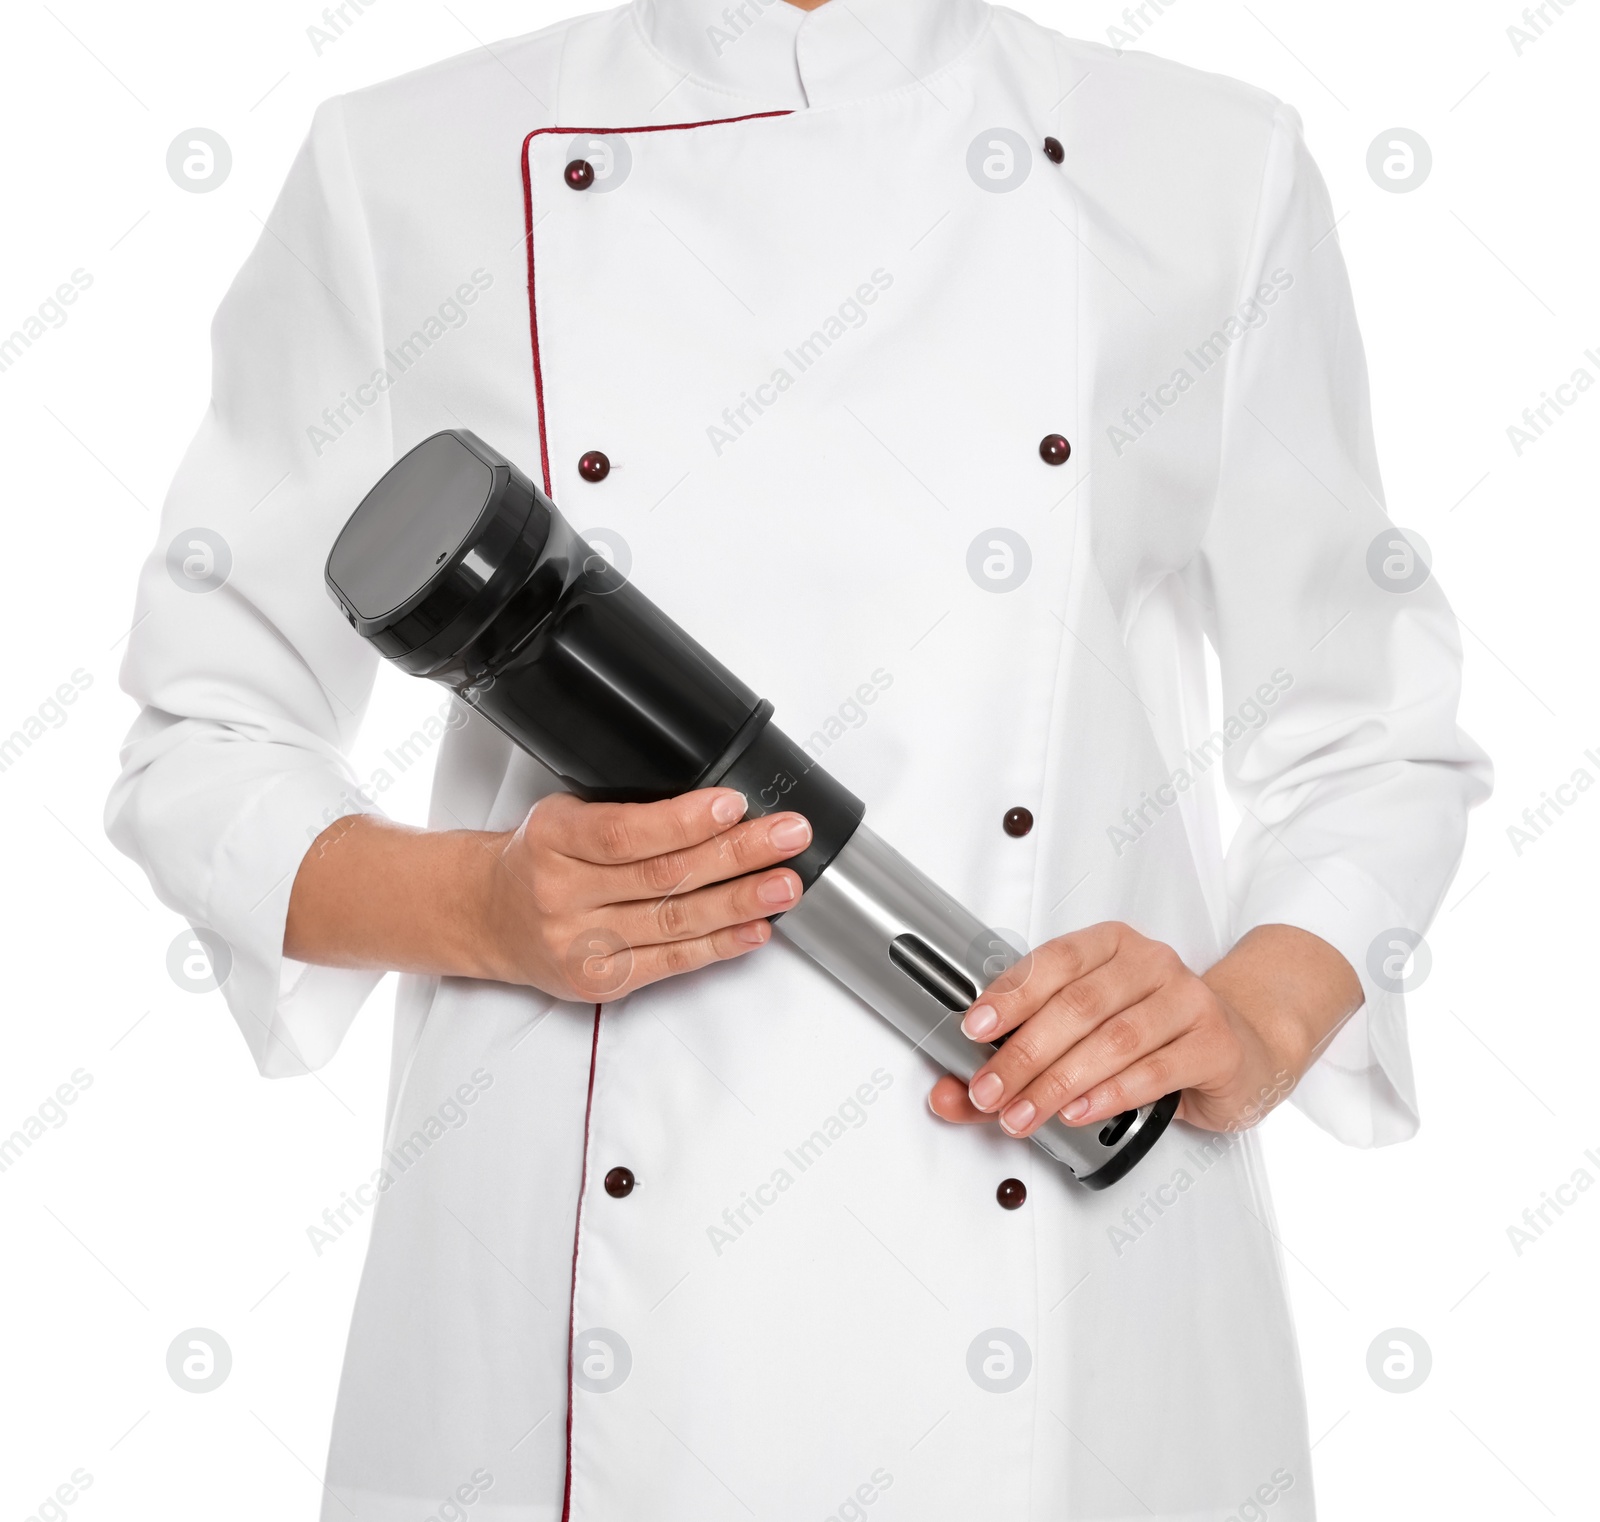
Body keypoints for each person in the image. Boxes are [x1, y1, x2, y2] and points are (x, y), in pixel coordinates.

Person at [107, 0, 1491, 1515]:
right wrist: (482, 907)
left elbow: (1373, 730)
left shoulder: (1209, 166)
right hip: (557, 1329)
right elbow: (206, 738)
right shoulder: (404, 164)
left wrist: (1249, 1018)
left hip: (1084, 1267)